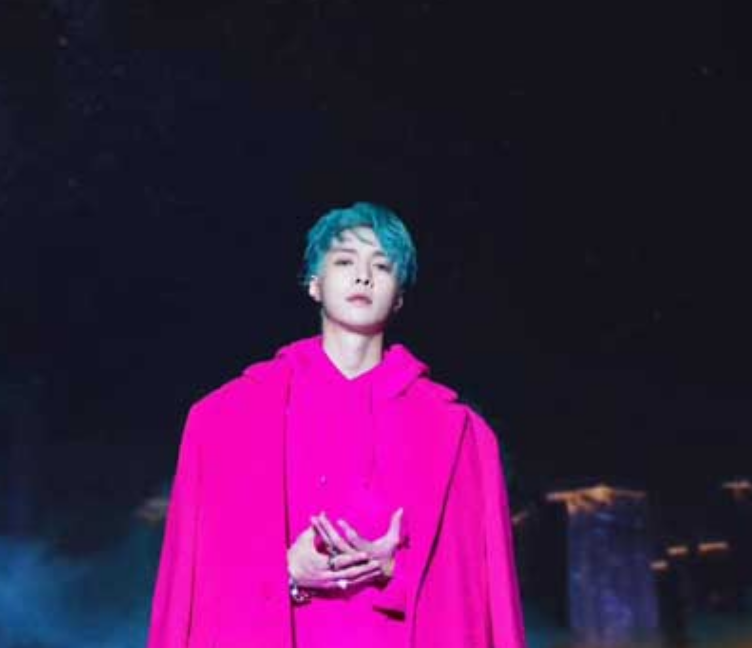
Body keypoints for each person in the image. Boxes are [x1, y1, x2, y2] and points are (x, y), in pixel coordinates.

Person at [146, 202, 526, 648]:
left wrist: (395, 569)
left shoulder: (460, 436)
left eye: (382, 265)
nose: (363, 276)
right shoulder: (226, 421)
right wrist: (285, 572)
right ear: (314, 283)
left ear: (399, 296)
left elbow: (480, 599)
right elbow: (192, 587)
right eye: (345, 261)